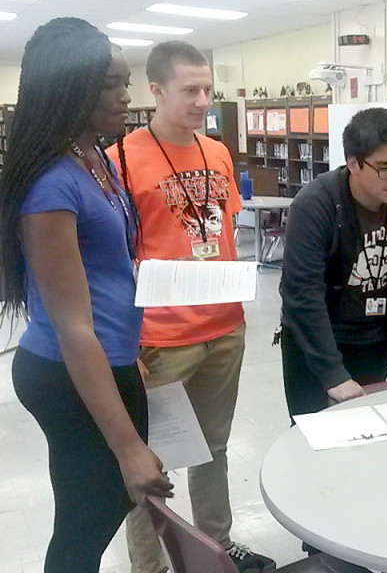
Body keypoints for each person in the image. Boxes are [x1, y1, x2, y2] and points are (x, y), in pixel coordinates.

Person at [0, 18, 173, 573]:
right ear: (66, 87)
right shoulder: (53, 183)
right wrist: (127, 447)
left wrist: (130, 347)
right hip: (67, 368)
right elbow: (73, 323)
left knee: (91, 509)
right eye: (109, 84)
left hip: (105, 356)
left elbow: (108, 272)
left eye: (126, 80)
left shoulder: (94, 157)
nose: (126, 95)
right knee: (89, 519)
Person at [109, 41, 274, 572]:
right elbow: (111, 260)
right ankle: (150, 565)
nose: (203, 100)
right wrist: (122, 342)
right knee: (151, 461)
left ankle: (215, 548)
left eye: (208, 89)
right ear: (155, 90)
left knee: (214, 446)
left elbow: (221, 230)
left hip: (224, 327)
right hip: (159, 335)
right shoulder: (121, 160)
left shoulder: (218, 151)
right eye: (190, 90)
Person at [280, 108, 387, 416]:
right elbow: (302, 293)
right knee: (312, 433)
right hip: (314, 341)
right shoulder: (315, 204)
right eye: (385, 168)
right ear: (353, 162)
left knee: (368, 427)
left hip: (377, 337)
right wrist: (333, 373)